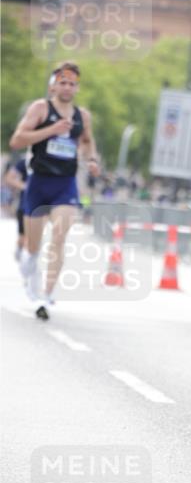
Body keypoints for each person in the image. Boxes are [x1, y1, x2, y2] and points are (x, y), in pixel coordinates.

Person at [9, 63, 100, 320]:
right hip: (38, 183)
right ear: (53, 85)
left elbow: (86, 141)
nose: (67, 87)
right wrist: (52, 130)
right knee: (33, 248)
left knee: (59, 238)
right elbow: (16, 140)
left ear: (77, 87)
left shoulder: (83, 116)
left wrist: (91, 160)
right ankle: (30, 271)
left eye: (72, 84)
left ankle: (46, 296)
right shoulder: (40, 109)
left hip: (65, 184)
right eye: (63, 82)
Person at [3, 156, 29, 261]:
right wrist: (25, 186)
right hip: (25, 205)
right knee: (23, 236)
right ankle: (20, 250)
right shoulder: (25, 162)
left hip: (44, 207)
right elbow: (9, 178)